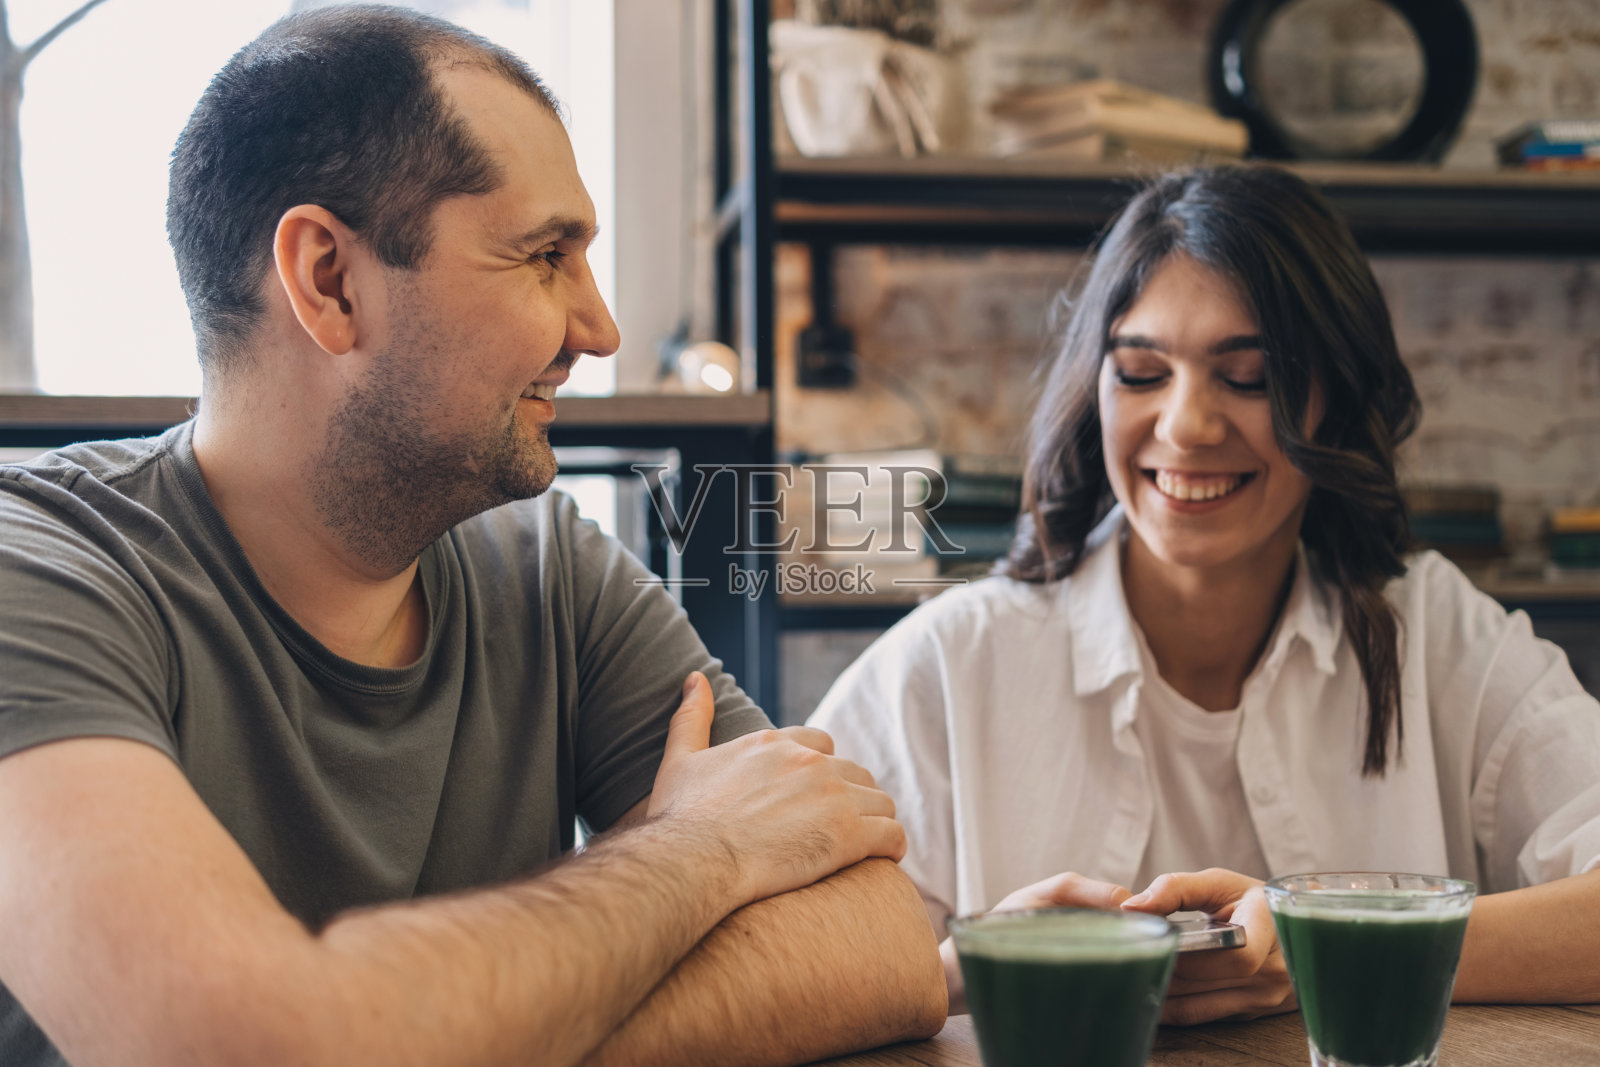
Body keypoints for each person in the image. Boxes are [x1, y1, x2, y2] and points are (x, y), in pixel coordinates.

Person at [0, 7, 946, 1066]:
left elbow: (882, 940)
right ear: (330, 281)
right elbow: (235, 1045)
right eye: (546, 256)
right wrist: (694, 851)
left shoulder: (549, 568)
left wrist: (436, 1027)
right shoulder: (33, 573)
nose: (600, 330)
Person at [810, 164, 1600, 1024]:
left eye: (1250, 375)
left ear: (1337, 399)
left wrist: (1320, 943)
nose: (1186, 426)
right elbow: (779, 974)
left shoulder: (1435, 635)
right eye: (1142, 371)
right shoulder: (947, 666)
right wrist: (980, 964)